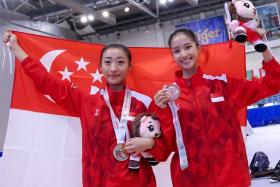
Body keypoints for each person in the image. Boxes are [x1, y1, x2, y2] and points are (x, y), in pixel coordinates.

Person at [3, 31, 156, 187]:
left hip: (136, 182)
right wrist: (16, 49)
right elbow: (48, 83)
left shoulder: (142, 104)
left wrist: (150, 143)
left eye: (120, 62)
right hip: (96, 182)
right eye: (108, 62)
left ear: (130, 67)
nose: (114, 68)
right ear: (100, 67)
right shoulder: (87, 100)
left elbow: (161, 146)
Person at [143, 28, 280, 187]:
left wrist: (261, 46)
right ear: (172, 56)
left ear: (198, 48)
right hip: (191, 181)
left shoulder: (222, 85)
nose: (183, 54)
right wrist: (160, 112)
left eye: (188, 47)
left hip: (231, 178)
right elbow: (164, 150)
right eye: (177, 50)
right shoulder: (166, 98)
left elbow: (274, 83)